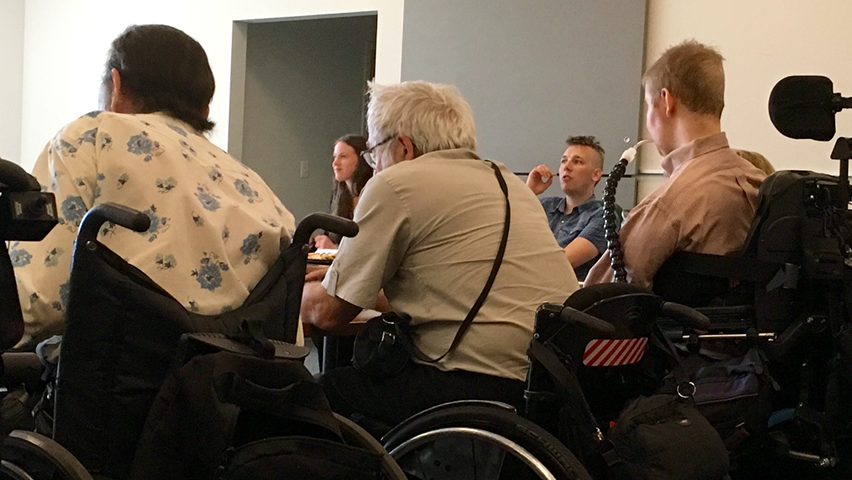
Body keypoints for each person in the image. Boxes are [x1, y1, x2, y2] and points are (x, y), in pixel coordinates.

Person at [300, 80, 579, 429]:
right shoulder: (507, 181)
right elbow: (451, 290)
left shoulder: (395, 184)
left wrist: (292, 289)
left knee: (321, 392)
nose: (374, 166)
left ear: (403, 145)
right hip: (551, 387)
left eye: (374, 154)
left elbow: (329, 312)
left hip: (472, 386)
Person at [12, 24, 295, 349]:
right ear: (204, 109)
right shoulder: (257, 188)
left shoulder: (91, 136)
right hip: (228, 392)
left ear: (115, 86)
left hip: (106, 388)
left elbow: (38, 303)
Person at [584, 40, 766, 287]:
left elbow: (600, 299)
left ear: (667, 100)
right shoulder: (762, 182)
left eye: (649, 105)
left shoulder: (668, 205)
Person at [526, 135, 607, 279]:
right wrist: (528, 192)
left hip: (564, 293)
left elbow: (561, 263)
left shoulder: (602, 216)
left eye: (577, 162)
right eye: (563, 161)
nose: (566, 167)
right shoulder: (545, 205)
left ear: (595, 175)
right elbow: (507, 238)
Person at [314, 134, 372, 249]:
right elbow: (329, 235)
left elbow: (368, 246)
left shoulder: (371, 195)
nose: (335, 163)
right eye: (335, 156)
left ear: (360, 160)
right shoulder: (337, 196)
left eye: (343, 156)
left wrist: (334, 249)